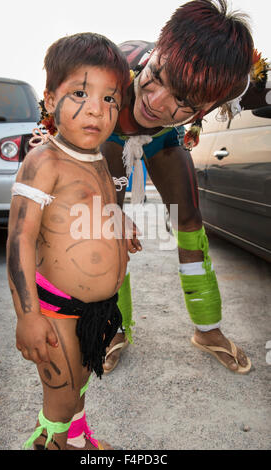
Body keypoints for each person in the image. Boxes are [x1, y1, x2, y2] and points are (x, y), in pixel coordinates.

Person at [97, 0, 270, 375]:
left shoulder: (235, 84)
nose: (155, 102)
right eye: (156, 76)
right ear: (157, 51)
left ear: (206, 107)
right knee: (108, 225)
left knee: (190, 223)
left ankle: (208, 329)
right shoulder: (107, 68)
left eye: (183, 101)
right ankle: (113, 329)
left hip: (164, 141)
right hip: (109, 135)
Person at [6, 32, 141, 450]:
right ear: (49, 100)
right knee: (59, 404)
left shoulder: (101, 156)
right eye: (81, 92)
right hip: (56, 310)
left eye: (110, 99)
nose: (96, 110)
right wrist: (28, 317)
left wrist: (121, 224)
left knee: (80, 384)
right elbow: (20, 240)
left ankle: (79, 442)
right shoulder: (44, 161)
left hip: (96, 310)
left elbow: (98, 206)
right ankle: (53, 442)